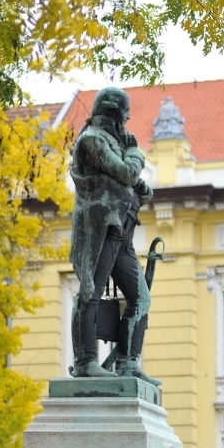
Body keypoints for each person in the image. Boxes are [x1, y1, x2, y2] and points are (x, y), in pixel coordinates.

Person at [69, 87, 158, 382]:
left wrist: (138, 189)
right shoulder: (93, 139)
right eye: (125, 109)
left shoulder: (111, 142)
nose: (129, 116)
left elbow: (134, 187)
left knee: (140, 299)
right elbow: (129, 174)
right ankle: (85, 362)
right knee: (90, 291)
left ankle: (128, 363)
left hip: (122, 229)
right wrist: (134, 155)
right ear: (111, 110)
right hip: (102, 227)